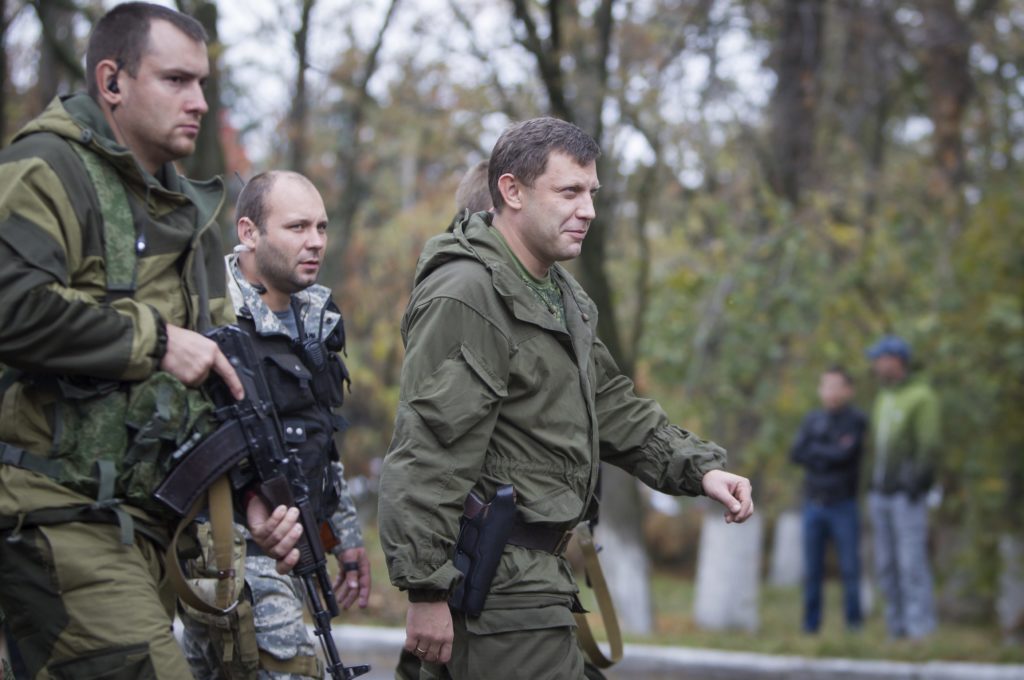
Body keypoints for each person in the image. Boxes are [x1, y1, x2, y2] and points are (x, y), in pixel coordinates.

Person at [376, 117, 754, 679]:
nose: (589, 210)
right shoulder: (468, 294)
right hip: (498, 593)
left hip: (539, 585)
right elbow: (428, 449)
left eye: (592, 193)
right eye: (569, 192)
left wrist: (700, 471)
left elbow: (611, 404)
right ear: (512, 191)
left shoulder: (558, 295)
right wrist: (426, 591)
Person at [0, 3, 259, 677]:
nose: (199, 102)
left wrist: (255, 497)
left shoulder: (181, 207)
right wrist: (156, 340)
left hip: (150, 527)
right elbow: (12, 308)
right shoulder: (45, 168)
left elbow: (203, 387)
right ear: (111, 82)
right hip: (57, 517)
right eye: (176, 80)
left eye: (202, 83)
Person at [179, 170, 372, 679]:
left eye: (322, 228)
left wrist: (343, 537)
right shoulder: (205, 309)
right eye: (297, 227)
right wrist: (247, 501)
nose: (315, 243)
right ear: (249, 232)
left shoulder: (317, 315)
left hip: (294, 537)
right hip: (225, 541)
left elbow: (319, 435)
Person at [865, 335, 940, 639]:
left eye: (879, 358)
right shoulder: (884, 397)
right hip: (879, 494)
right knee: (886, 564)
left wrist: (917, 483)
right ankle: (896, 629)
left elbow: (929, 445)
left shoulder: (921, 396)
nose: (875, 365)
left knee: (911, 564)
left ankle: (920, 630)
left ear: (896, 361)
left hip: (907, 496)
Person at [790, 366, 867, 633]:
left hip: (843, 504)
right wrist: (829, 450)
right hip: (814, 503)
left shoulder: (856, 420)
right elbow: (797, 453)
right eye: (826, 386)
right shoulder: (812, 420)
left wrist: (818, 451)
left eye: (836, 386)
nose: (830, 392)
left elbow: (845, 455)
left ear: (848, 390)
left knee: (849, 568)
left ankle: (854, 625)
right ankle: (810, 625)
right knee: (812, 570)